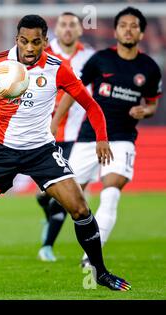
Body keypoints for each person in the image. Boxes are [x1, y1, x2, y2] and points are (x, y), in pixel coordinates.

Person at [0, 15, 131, 291]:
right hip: (0, 151)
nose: (30, 48)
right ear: (16, 40)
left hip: (41, 151)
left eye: (36, 42)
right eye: (24, 41)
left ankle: (100, 271)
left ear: (46, 41)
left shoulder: (58, 69)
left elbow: (91, 105)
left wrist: (101, 139)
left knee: (80, 209)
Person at [53, 7, 162, 267]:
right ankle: (83, 220)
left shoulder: (148, 68)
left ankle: (90, 257)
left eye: (133, 25)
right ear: (115, 31)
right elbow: (74, 91)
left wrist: (145, 111)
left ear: (141, 32)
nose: (128, 29)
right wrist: (55, 121)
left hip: (122, 138)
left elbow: (153, 104)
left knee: (111, 192)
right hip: (90, 136)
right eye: (123, 25)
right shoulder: (100, 59)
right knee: (65, 197)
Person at [36, 12, 95, 262]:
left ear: (80, 30)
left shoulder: (90, 57)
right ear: (56, 30)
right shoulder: (42, 56)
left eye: (73, 25)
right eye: (63, 25)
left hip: (78, 136)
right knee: (46, 195)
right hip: (43, 134)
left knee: (69, 193)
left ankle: (46, 247)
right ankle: (47, 209)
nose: (68, 29)